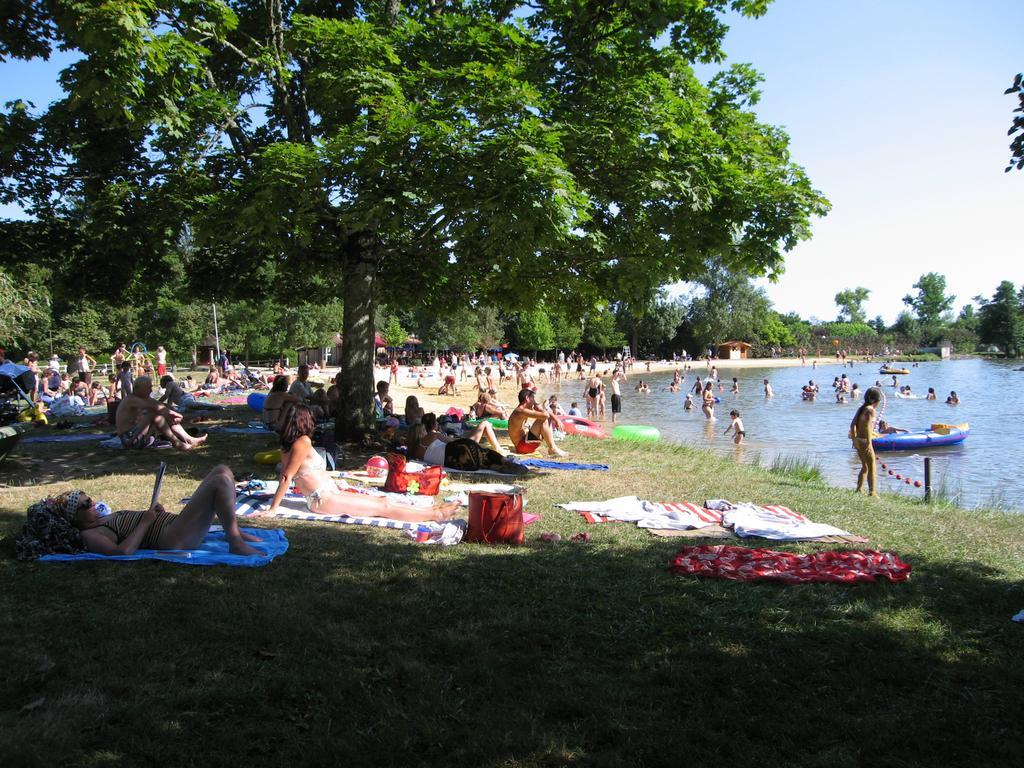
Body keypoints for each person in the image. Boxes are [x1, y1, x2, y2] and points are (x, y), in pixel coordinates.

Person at [15, 467, 265, 560]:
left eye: (89, 499)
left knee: (222, 471)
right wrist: (146, 522)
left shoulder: (101, 518)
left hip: (173, 525)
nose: (92, 504)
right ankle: (234, 541)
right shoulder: (91, 535)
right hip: (172, 539)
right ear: (74, 518)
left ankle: (234, 530)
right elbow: (123, 552)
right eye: (85, 505)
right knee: (220, 481)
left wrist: (154, 513)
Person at [266, 406, 458, 521]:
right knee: (382, 508)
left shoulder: (288, 445)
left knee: (383, 501)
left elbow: (297, 474)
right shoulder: (303, 442)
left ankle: (431, 510)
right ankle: (436, 515)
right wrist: (273, 509)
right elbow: (286, 476)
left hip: (328, 494)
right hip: (323, 499)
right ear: (304, 421)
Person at [115, 376, 207, 450]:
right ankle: (177, 443)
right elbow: (156, 407)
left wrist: (171, 410)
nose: (151, 391)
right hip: (129, 440)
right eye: (149, 388)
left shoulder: (142, 397)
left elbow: (158, 404)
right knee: (154, 415)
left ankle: (189, 439)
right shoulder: (131, 400)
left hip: (138, 435)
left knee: (165, 415)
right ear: (140, 389)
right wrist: (175, 414)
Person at [508, 389, 567, 457]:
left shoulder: (521, 410)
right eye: (533, 398)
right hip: (522, 447)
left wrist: (556, 419)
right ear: (527, 398)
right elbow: (546, 415)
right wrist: (538, 407)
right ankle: (552, 448)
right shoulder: (521, 411)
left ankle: (553, 448)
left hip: (524, 444)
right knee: (543, 419)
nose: (534, 402)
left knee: (546, 418)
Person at [849, 386, 882, 497]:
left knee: (864, 466)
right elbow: (868, 427)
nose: (878, 404)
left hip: (858, 440)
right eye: (878, 401)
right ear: (874, 400)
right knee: (872, 466)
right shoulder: (870, 410)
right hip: (865, 441)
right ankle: (872, 492)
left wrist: (854, 439)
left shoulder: (861, 408)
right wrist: (869, 442)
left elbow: (853, 424)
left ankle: (859, 489)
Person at [159, 374, 224, 412]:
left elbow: (166, 396)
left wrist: (157, 402)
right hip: (183, 402)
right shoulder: (170, 390)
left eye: (161, 382)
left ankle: (216, 407)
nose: (160, 384)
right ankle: (211, 408)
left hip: (185, 397)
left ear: (165, 381)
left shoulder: (170, 383)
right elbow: (169, 404)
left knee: (191, 405)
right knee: (190, 409)